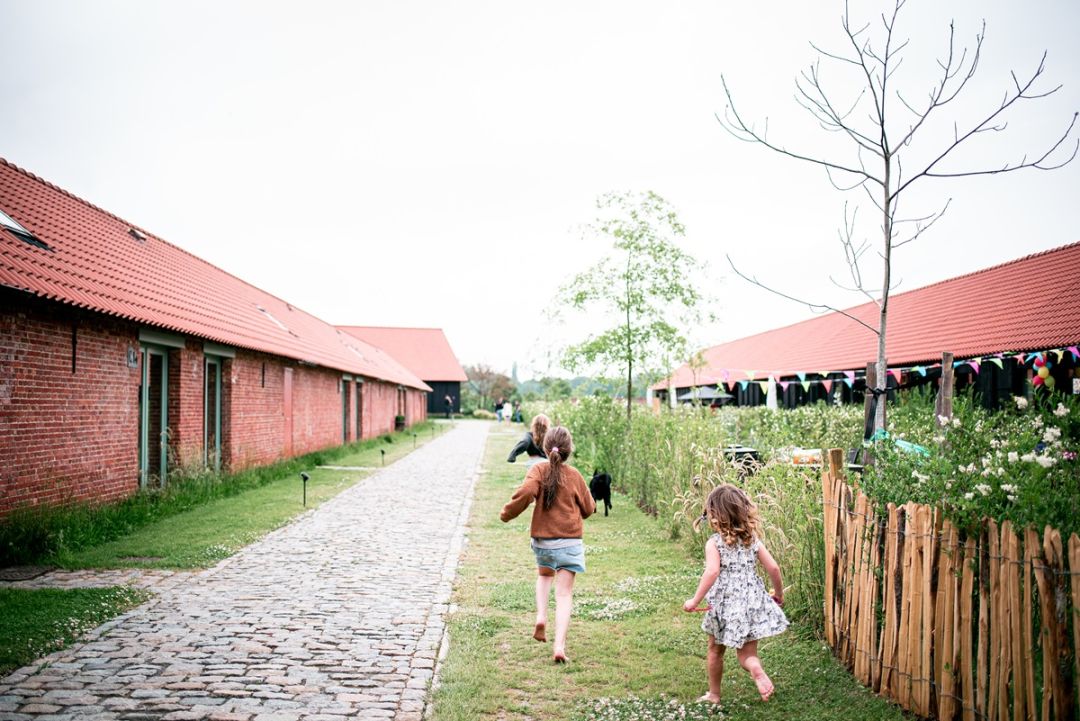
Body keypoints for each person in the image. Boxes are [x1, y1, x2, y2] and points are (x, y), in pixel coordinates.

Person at [683, 483, 788, 703]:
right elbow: (774, 568)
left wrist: (695, 600)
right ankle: (755, 667)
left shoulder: (714, 543)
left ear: (715, 514)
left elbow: (712, 572)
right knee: (747, 655)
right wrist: (778, 596)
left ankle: (714, 694)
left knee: (715, 650)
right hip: (751, 601)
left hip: (725, 603)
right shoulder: (752, 540)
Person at [500, 426, 595, 664]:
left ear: (544, 446)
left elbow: (526, 492)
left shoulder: (538, 470)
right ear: (568, 450)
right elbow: (589, 509)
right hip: (570, 543)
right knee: (564, 595)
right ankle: (559, 646)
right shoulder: (574, 475)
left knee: (544, 577)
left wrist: (507, 513)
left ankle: (541, 616)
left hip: (544, 542)